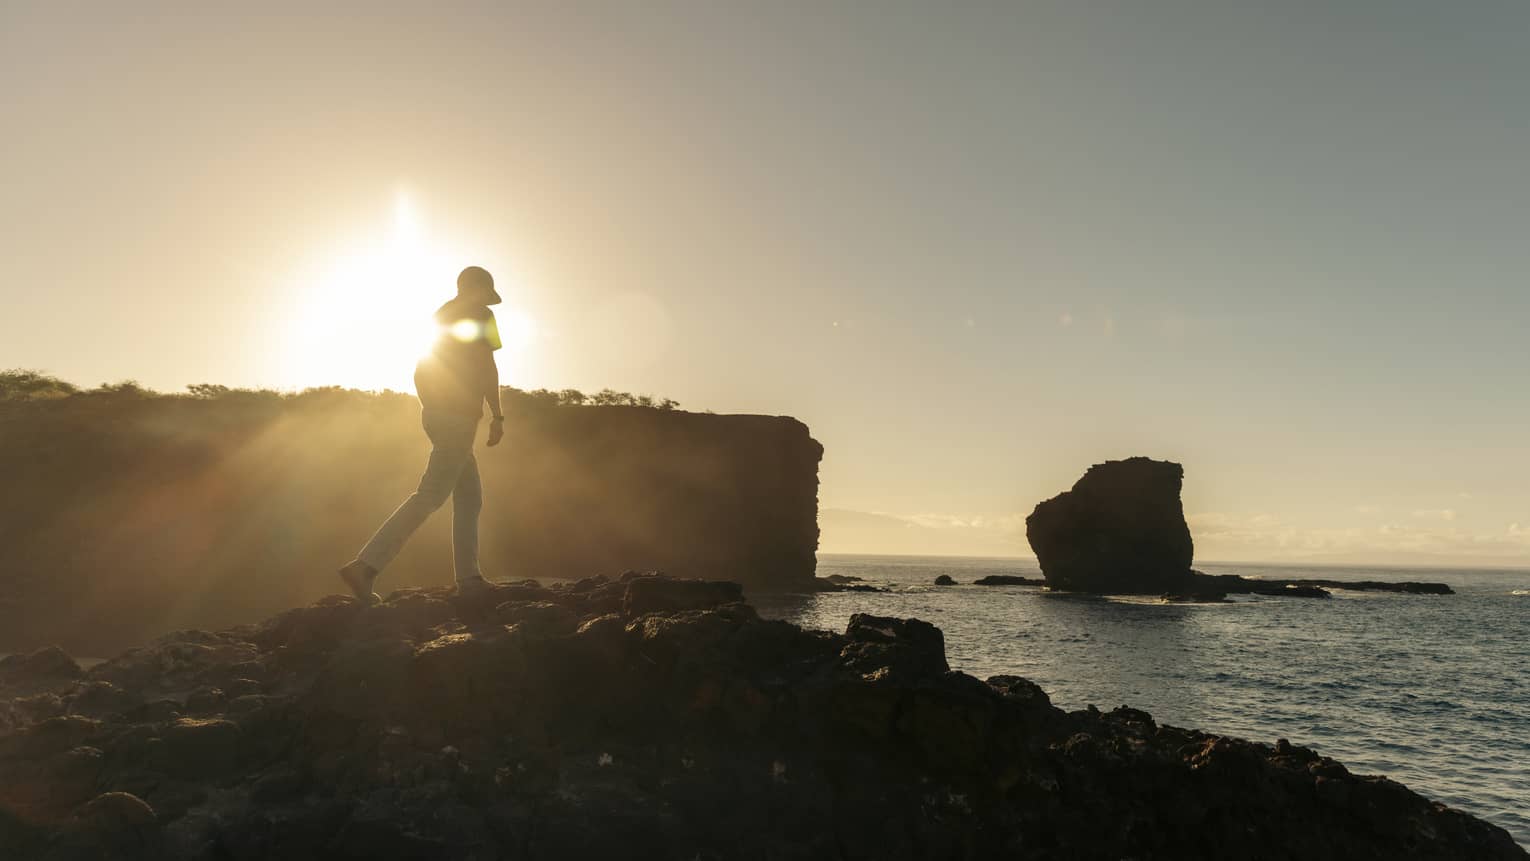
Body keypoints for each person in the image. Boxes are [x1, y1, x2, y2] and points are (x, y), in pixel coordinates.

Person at [337, 265, 507, 604]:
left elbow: (421, 367)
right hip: (457, 418)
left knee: (470, 497)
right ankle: (366, 565)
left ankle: (469, 577)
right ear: (475, 289)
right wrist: (497, 415)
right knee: (430, 495)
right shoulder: (481, 314)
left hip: (439, 415)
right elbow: (488, 367)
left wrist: (432, 408)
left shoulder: (441, 314)